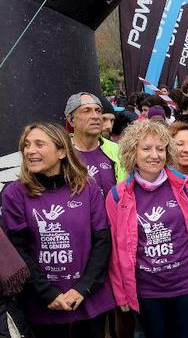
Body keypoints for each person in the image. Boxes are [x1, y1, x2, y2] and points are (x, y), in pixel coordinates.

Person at [2, 122, 115, 338]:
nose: (30, 151)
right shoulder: (14, 193)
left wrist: (83, 288)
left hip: (89, 297)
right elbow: (19, 250)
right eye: (26, 145)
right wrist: (48, 293)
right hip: (44, 302)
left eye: (39, 144)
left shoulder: (87, 187)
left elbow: (102, 241)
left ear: (62, 151)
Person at [106, 120, 188, 338]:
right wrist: (121, 293)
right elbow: (115, 252)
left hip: (185, 283)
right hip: (146, 289)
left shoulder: (186, 186)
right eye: (146, 148)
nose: (154, 155)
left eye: (160, 148)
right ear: (132, 152)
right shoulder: (117, 196)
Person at [65, 92, 126, 197]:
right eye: (86, 111)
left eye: (98, 111)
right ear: (71, 119)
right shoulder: (61, 152)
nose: (95, 116)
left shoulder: (118, 151)